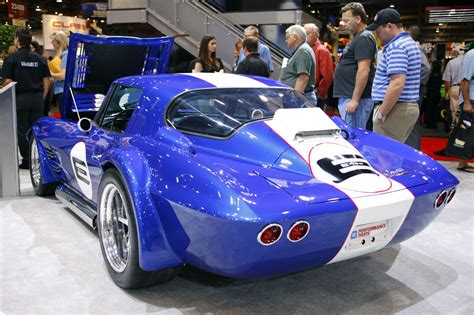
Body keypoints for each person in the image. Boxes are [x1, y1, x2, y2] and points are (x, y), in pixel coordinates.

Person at [368, 8, 421, 143]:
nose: (377, 35)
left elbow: (397, 83)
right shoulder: (408, 43)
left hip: (395, 109)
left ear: (389, 26)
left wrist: (381, 113)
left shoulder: (397, 46)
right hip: (402, 107)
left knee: (384, 156)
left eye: (378, 30)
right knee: (393, 154)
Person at [2, 28, 51, 169]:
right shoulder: (40, 58)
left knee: (22, 130)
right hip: (37, 99)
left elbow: (7, 81)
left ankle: (27, 160)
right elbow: (47, 79)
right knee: (37, 129)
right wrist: (42, 96)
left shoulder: (11, 58)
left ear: (17, 40)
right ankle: (40, 158)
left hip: (19, 99)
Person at [333, 2, 376, 129]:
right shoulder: (359, 37)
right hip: (350, 97)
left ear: (358, 19)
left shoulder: (364, 37)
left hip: (356, 99)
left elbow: (364, 70)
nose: (344, 24)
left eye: (347, 21)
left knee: (354, 137)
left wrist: (355, 99)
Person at [405, 25, 431, 149]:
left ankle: (412, 153)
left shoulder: (415, 48)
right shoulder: (415, 48)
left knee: (411, 123)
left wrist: (412, 83)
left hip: (414, 91)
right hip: (415, 90)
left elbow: (426, 69)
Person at [279, 25, 317, 103]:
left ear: (295, 37)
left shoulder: (303, 51)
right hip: (300, 96)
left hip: (301, 98)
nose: (286, 40)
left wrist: (295, 98)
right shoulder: (301, 49)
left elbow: (303, 78)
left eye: (287, 37)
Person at [304, 23, 334, 109]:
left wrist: (320, 93)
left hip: (315, 94)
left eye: (307, 33)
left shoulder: (322, 51)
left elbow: (328, 76)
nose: (305, 36)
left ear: (317, 34)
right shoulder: (307, 50)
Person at [455, 44, 474, 173]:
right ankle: (462, 162)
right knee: (466, 132)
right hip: (471, 99)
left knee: (469, 132)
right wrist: (467, 102)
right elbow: (465, 80)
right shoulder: (471, 54)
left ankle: (464, 161)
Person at [442, 48, 464, 130]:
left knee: (454, 111)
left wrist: (446, 92)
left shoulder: (452, 62)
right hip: (468, 88)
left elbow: (447, 79)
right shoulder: (469, 61)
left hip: (455, 87)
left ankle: (455, 130)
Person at [49, 31, 69, 113]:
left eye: (53, 41)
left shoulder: (65, 55)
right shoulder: (63, 55)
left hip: (63, 91)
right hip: (61, 90)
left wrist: (49, 73)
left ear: (59, 42)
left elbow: (63, 75)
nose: (52, 43)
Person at [423, 60, 443, 129]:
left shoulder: (430, 74)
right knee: (435, 109)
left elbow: (427, 83)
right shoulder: (440, 75)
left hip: (430, 93)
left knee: (429, 108)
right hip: (437, 93)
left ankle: (428, 123)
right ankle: (434, 123)